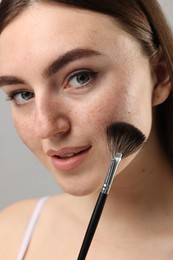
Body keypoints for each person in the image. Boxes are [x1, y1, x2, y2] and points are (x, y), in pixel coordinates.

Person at [0, 0, 173, 259]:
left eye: (80, 77)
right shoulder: (10, 235)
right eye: (22, 94)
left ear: (159, 75)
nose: (44, 127)